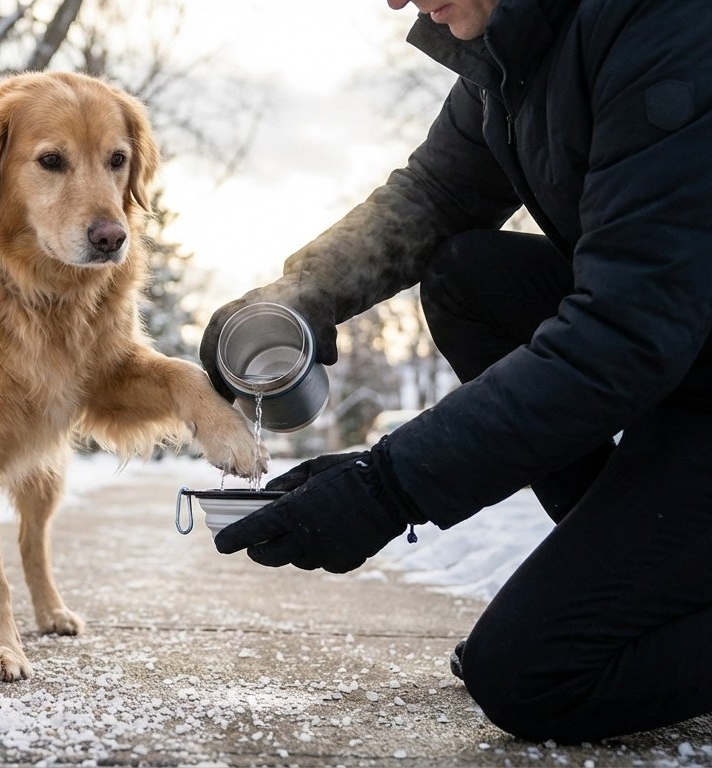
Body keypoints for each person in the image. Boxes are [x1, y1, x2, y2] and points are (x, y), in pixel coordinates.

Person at [199, 0, 712, 745]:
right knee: (468, 276)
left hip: (668, 350)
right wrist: (301, 295)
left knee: (534, 676)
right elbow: (433, 197)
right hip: (687, 352)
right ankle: (636, 574)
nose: (396, 1)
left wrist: (388, 486)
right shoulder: (512, 54)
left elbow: (623, 333)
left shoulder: (663, 26)